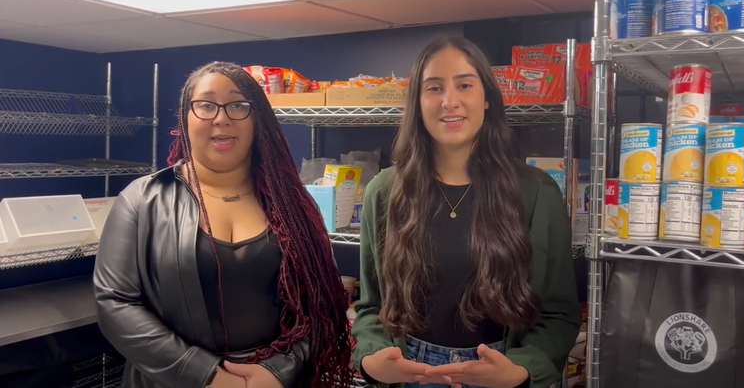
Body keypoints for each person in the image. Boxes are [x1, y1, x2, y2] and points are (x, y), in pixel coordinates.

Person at [93, 61, 353, 388]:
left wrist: (278, 371)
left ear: (257, 118)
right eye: (205, 105)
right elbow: (114, 303)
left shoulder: (294, 205)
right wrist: (206, 376)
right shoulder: (142, 200)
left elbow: (322, 303)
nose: (221, 117)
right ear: (185, 119)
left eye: (237, 105)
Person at [351, 36, 582, 388]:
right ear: (417, 102)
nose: (450, 101)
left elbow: (559, 313)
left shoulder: (537, 192)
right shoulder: (384, 192)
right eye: (434, 88)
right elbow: (371, 306)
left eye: (464, 85)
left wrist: (522, 370)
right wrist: (370, 358)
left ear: (486, 98)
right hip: (412, 372)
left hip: (501, 373)